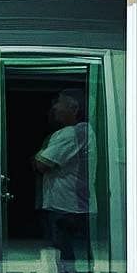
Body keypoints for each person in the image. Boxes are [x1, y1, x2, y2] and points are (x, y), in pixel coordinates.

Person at [33, 91, 95, 263]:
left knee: (65, 262)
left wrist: (42, 152)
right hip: (71, 208)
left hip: (68, 209)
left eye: (59, 103)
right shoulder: (79, 132)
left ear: (74, 108)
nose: (54, 107)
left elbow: (42, 164)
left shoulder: (73, 133)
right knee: (72, 261)